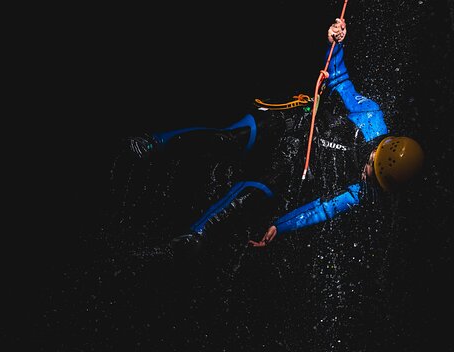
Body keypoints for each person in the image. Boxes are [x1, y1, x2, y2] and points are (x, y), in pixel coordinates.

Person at [127, 18, 423, 250]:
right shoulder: (370, 117)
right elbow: (340, 80)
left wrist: (279, 227)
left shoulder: (359, 193)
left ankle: (192, 238)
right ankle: (156, 142)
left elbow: (322, 209)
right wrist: (336, 43)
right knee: (227, 141)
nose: (366, 178)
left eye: (376, 184)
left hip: (289, 165)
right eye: (371, 173)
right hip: (288, 123)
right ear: (378, 154)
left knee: (254, 195)